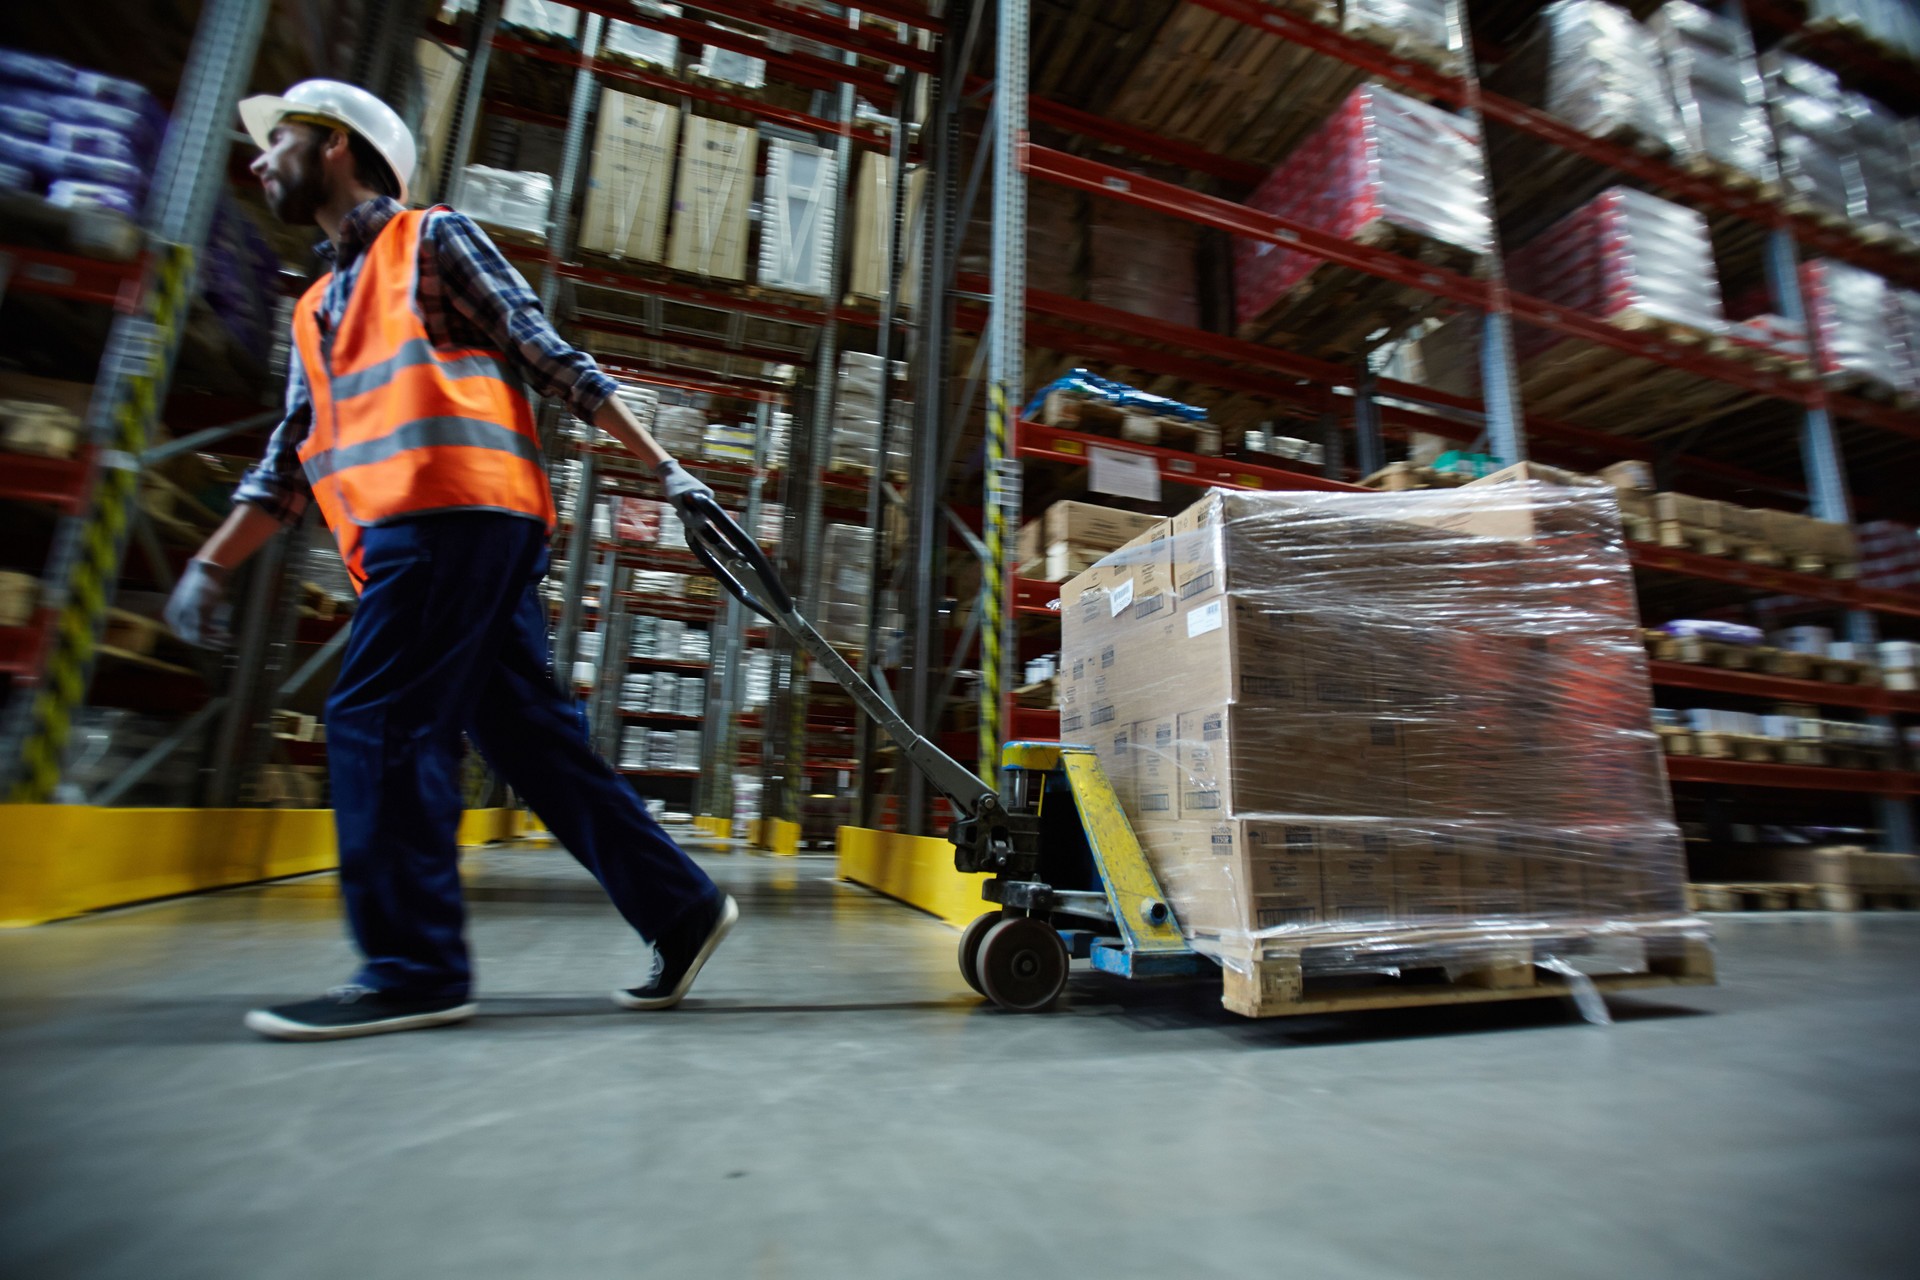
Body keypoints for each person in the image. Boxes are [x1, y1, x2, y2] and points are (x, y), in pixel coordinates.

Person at [166, 81, 737, 1042]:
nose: (259, 160)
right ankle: (679, 908)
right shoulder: (313, 309)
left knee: (379, 716)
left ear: (339, 146)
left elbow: (547, 354)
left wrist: (665, 467)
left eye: (280, 141)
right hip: (427, 534)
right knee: (523, 733)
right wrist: (211, 564)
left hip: (454, 516)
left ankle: (413, 968)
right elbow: (287, 459)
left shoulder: (430, 240)